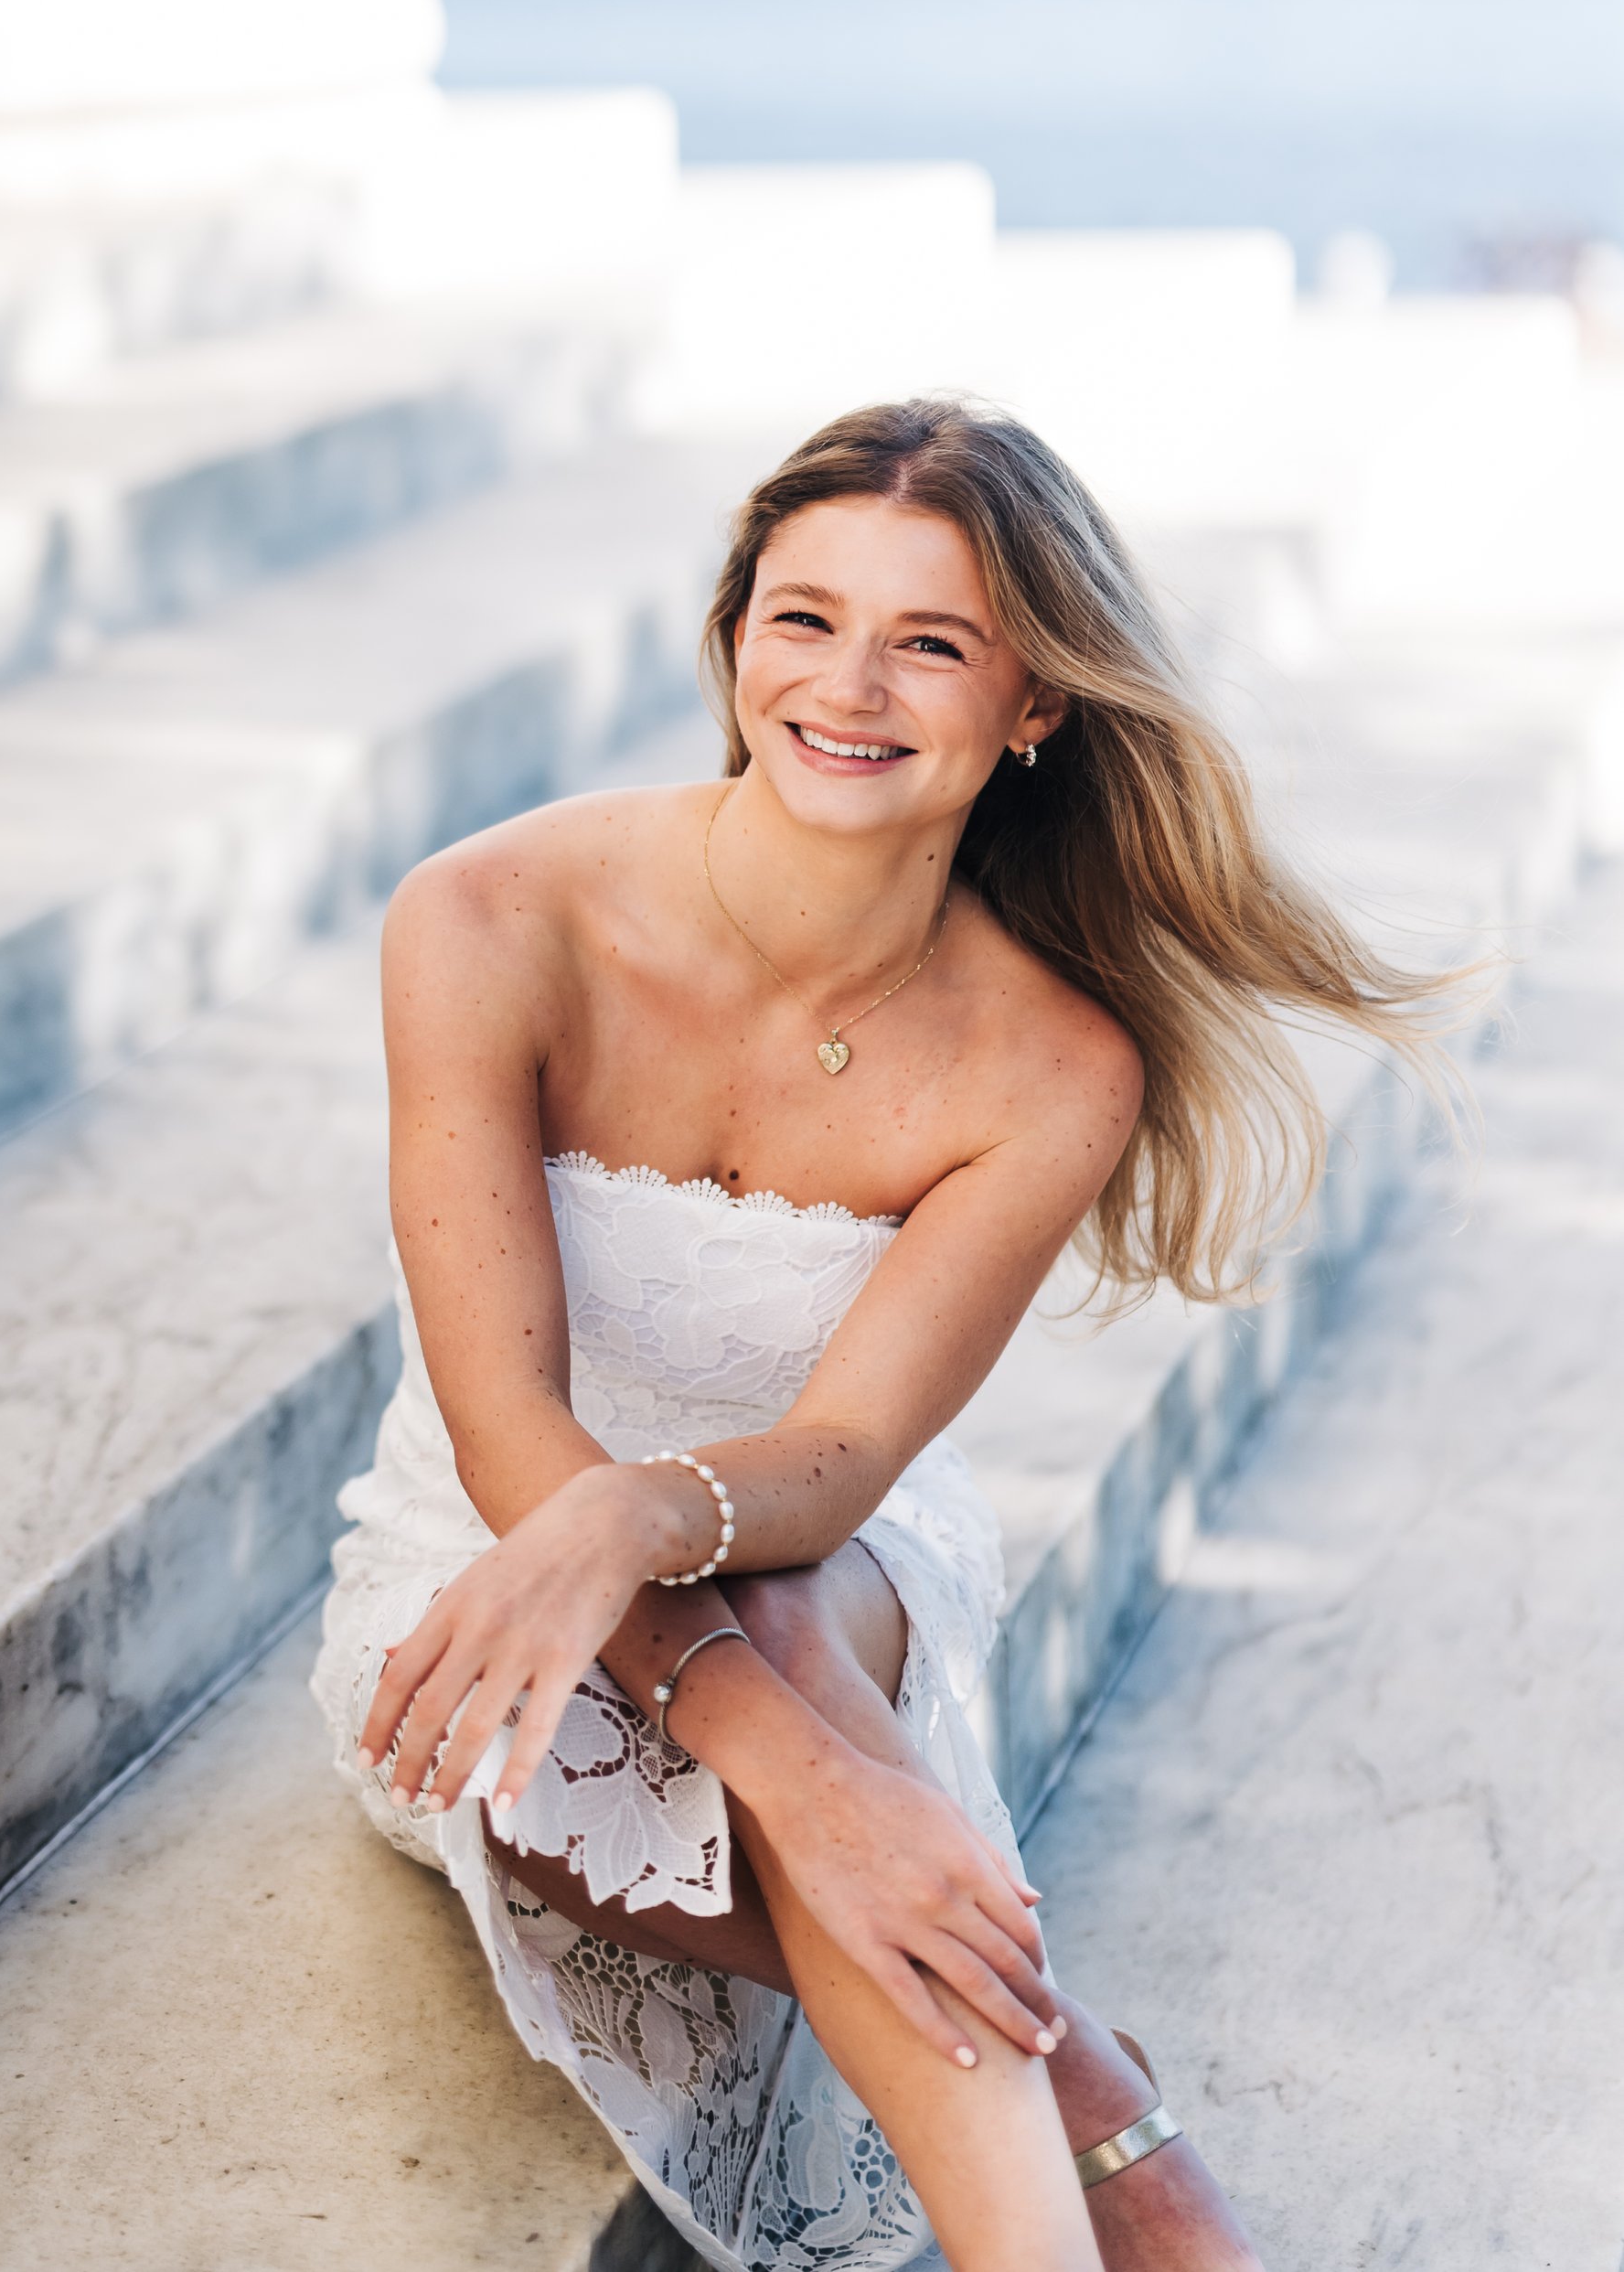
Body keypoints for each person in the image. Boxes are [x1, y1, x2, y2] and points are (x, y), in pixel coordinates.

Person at [313, 397, 1451, 2272]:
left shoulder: (1055, 1062)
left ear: (1032, 706)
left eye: (929, 640)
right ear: (733, 640)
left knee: (776, 1603)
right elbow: (505, 1407)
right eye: (801, 617)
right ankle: (1091, 2093)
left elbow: (841, 1461)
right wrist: (797, 1771)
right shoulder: (491, 915)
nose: (846, 685)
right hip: (487, 1532)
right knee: (532, 1763)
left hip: (832, 1551)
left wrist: (654, 1546)